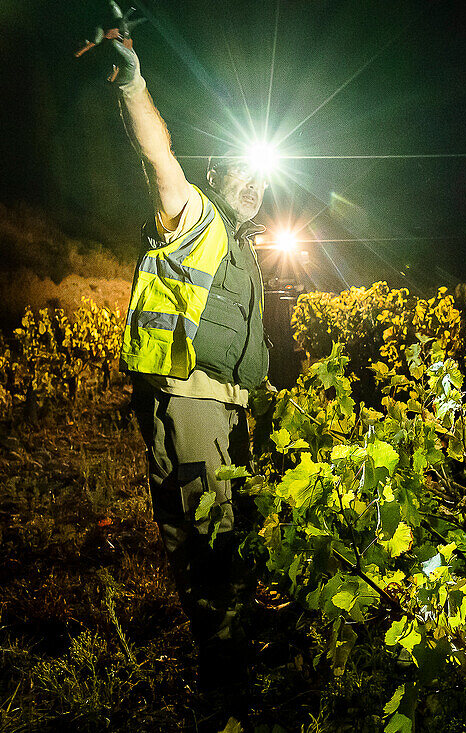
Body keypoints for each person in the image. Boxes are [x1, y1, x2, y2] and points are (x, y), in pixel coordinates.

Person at [88, 9, 269, 699]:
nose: (251, 187)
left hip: (208, 406)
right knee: (211, 539)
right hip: (194, 401)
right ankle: (226, 680)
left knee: (207, 537)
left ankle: (219, 658)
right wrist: (135, 84)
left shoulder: (243, 247)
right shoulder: (194, 216)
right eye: (240, 173)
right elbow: (161, 158)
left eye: (261, 180)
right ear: (216, 173)